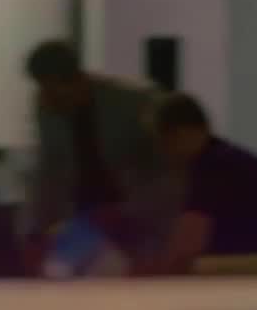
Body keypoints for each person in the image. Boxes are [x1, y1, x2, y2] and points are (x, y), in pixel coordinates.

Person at [22, 40, 177, 269]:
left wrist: (128, 209)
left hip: (140, 220)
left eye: (52, 92)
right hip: (86, 221)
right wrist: (34, 230)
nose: (46, 100)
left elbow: (170, 171)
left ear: (75, 81)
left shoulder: (136, 102)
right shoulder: (47, 109)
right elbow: (49, 170)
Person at [134, 93, 257, 276]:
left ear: (183, 133)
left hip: (249, 274)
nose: (163, 151)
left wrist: (149, 273)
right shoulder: (230, 159)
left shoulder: (214, 167)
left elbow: (188, 244)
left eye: (164, 141)